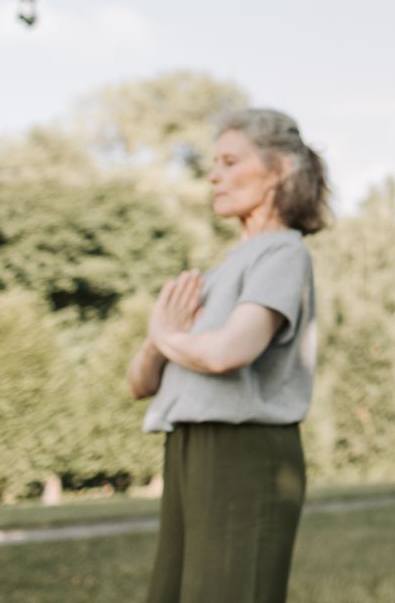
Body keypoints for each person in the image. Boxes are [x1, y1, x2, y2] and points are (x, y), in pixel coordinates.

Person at [127, 108, 329, 603]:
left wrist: (165, 336)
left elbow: (228, 352)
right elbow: (138, 382)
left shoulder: (283, 254)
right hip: (187, 447)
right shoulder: (221, 271)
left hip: (245, 452)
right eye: (213, 164)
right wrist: (161, 338)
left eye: (229, 161)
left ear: (277, 170)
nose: (213, 175)